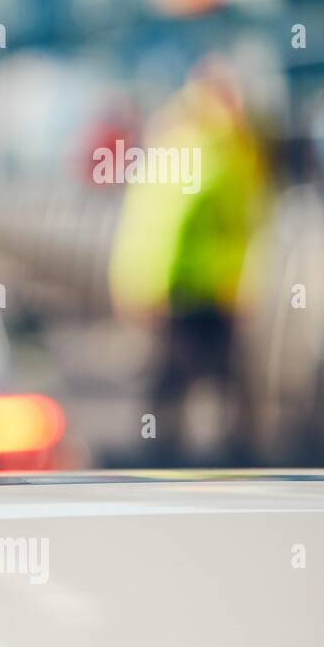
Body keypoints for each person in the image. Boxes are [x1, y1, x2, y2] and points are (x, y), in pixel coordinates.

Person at [108, 57, 270, 463]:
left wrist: (138, 283)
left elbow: (148, 222)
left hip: (185, 288)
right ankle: (221, 460)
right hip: (195, 290)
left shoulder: (178, 142)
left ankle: (160, 457)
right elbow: (171, 225)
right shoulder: (219, 150)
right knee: (207, 382)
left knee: (176, 382)